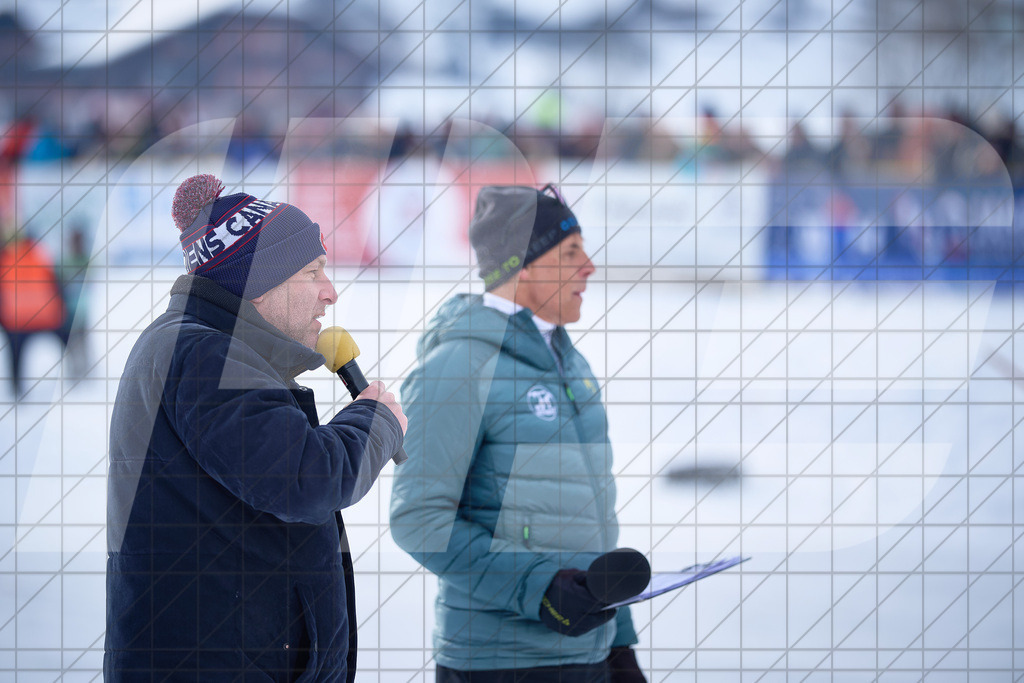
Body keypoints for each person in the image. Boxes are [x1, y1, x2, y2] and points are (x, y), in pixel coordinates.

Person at [104, 174, 407, 682]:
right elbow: (305, 478)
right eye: (313, 273)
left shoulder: (206, 349)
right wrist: (374, 421)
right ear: (257, 286)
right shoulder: (204, 355)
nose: (330, 293)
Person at [390, 184, 646, 682]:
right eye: (570, 253)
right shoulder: (459, 366)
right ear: (523, 266)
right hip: (501, 663)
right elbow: (419, 519)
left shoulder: (568, 361)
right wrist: (539, 589)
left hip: (587, 657)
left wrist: (620, 648)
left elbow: (584, 518)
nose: (589, 267)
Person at [0, 231, 69, 397]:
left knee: (15, 356)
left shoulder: (5, 258)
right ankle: (79, 374)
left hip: (17, 320)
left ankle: (16, 389)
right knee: (68, 342)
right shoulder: (40, 253)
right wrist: (62, 308)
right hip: (46, 316)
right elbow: (55, 281)